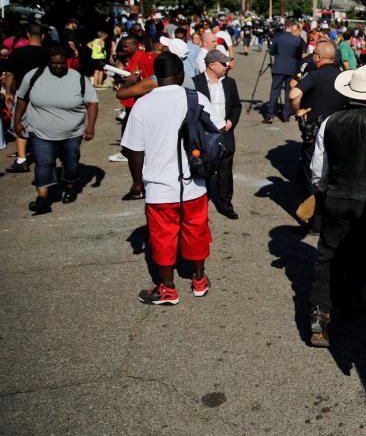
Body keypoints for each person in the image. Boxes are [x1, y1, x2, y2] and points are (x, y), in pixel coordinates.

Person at [122, 53, 224, 306]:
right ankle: (199, 279)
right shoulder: (195, 98)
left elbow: (134, 149)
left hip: (158, 186)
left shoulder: (142, 105)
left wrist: (137, 182)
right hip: (194, 183)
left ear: (154, 76)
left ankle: (167, 288)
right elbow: (218, 128)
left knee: (162, 237)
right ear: (180, 74)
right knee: (197, 230)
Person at [307, 65, 366, 347]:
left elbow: (318, 167)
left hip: (334, 196)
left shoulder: (329, 121)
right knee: (361, 253)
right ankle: (348, 300)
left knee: (327, 255)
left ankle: (319, 314)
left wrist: (321, 191)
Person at [13, 48, 99, 213]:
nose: (58, 66)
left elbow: (92, 103)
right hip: (40, 130)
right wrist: (17, 121)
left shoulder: (78, 78)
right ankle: (42, 199)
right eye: (54, 64)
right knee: (43, 162)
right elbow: (22, 98)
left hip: (72, 132)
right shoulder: (33, 76)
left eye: (61, 63)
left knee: (70, 163)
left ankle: (69, 185)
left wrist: (90, 126)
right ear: (48, 62)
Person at [192, 50, 242, 220]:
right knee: (202, 170)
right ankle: (200, 205)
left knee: (225, 171)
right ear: (211, 65)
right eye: (223, 63)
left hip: (225, 133)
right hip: (205, 135)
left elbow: (236, 106)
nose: (227, 66)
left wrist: (231, 122)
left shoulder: (230, 83)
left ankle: (225, 204)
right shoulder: (196, 83)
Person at [6, 24, 50, 173]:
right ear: (43, 36)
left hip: (23, 93)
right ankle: (45, 155)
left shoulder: (17, 53)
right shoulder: (48, 53)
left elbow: (10, 75)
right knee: (43, 123)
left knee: (20, 123)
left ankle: (21, 159)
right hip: (44, 93)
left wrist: (8, 93)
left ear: (27, 35)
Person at [265, 19, 304, 124]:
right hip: (291, 68)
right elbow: (299, 56)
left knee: (275, 91)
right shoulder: (297, 40)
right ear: (292, 27)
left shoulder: (278, 37)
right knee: (288, 92)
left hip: (279, 67)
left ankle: (270, 115)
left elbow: (272, 51)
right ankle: (286, 116)